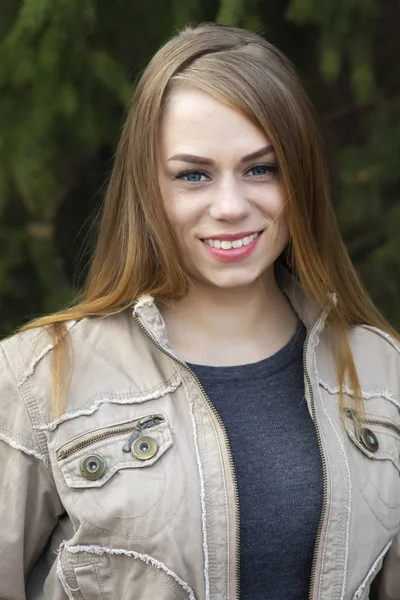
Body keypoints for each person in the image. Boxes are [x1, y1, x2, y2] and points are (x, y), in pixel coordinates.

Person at [0, 21, 399, 600]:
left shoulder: (382, 374)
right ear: (148, 188)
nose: (232, 206)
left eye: (262, 168)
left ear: (301, 177)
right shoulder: (36, 381)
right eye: (194, 175)